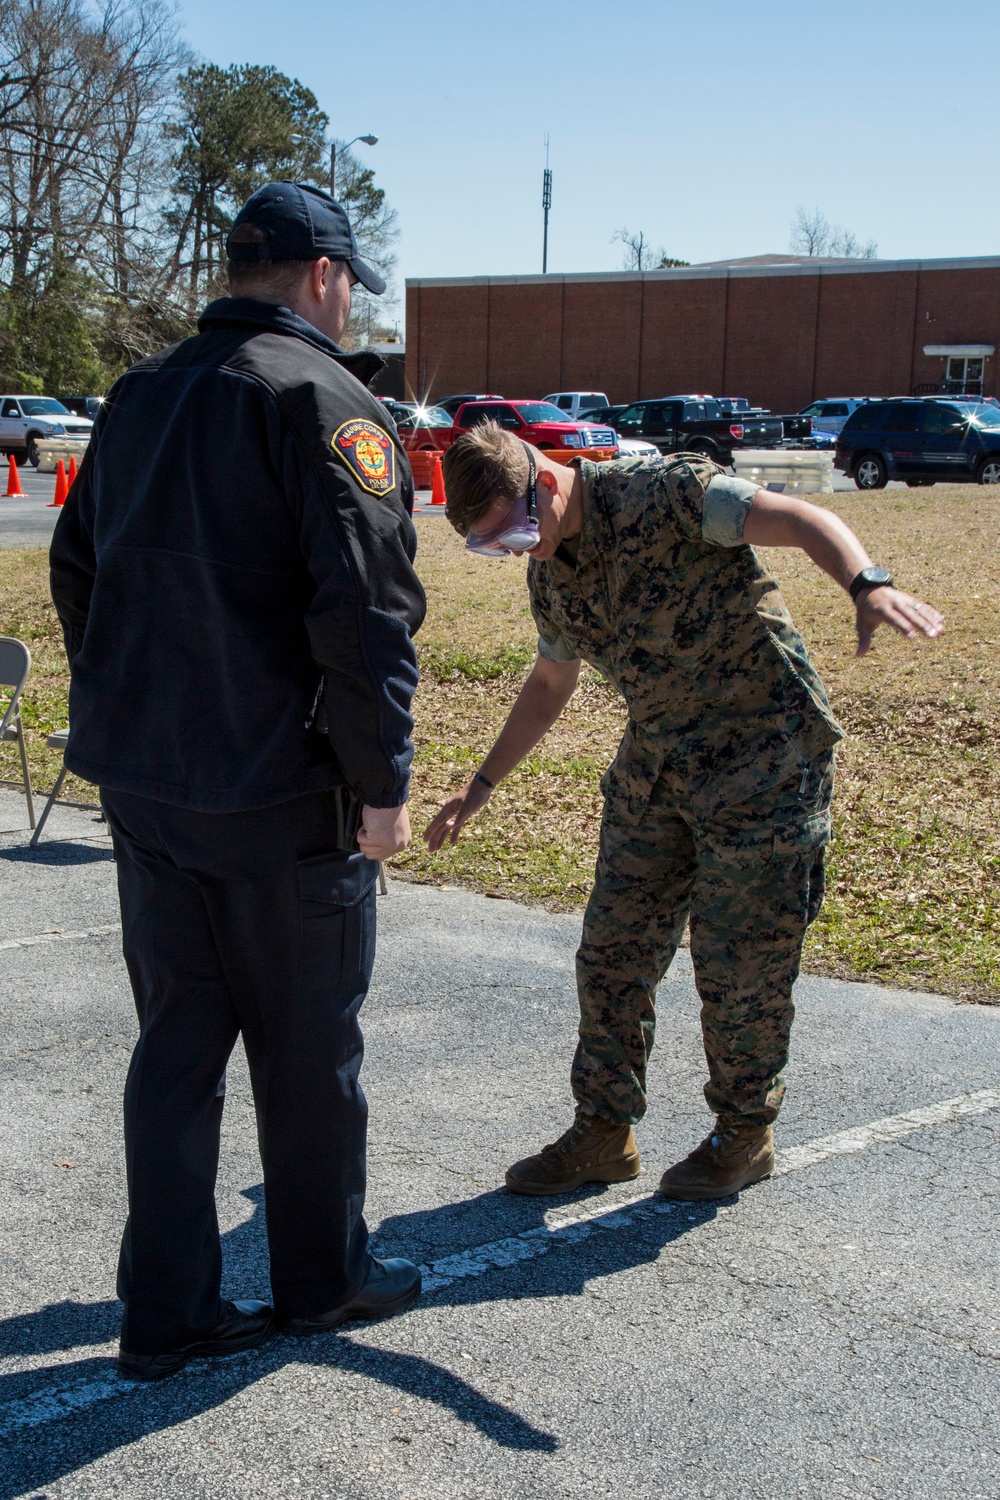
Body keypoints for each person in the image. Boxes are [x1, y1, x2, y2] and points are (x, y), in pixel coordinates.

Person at [49, 182, 426, 1381]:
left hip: (151, 786)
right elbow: (364, 614)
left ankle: (165, 1315)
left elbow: (77, 572)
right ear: (324, 274)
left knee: (176, 1050)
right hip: (277, 798)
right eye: (351, 282)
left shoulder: (141, 394)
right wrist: (383, 784)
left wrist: (137, 703)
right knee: (309, 1054)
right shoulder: (321, 398)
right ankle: (322, 1282)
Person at [426, 424, 943, 1201]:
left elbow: (802, 520)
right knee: (611, 953)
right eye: (495, 546)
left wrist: (867, 582)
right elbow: (547, 684)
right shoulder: (551, 575)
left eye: (518, 532)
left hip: (763, 757)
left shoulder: (665, 493)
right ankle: (604, 1131)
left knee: (741, 965)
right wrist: (482, 784)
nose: (519, 553)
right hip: (660, 763)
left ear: (545, 481)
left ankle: (742, 1136)